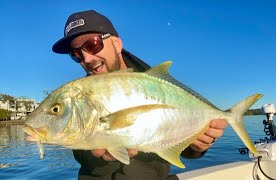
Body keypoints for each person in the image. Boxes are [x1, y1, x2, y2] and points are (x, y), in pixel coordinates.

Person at [52, 10, 227, 180]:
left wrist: (199, 145)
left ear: (116, 44)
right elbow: (79, 151)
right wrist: (94, 154)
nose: (87, 59)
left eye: (92, 45)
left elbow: (187, 148)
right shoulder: (80, 97)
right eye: (76, 54)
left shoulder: (159, 86)